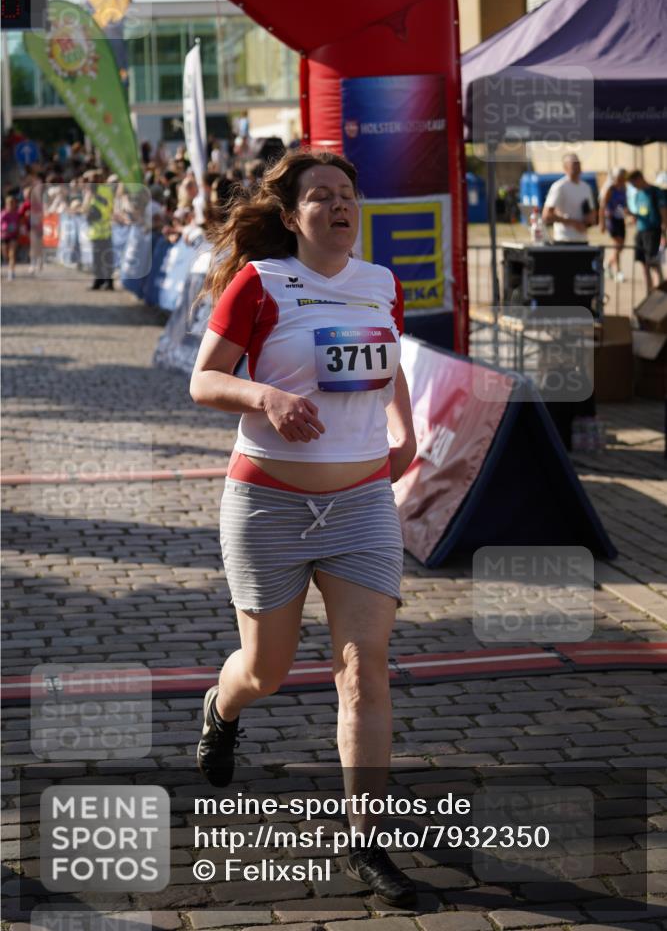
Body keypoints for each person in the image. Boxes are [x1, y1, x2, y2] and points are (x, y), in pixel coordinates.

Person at [189, 149, 418, 907]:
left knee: (365, 668)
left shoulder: (381, 283)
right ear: (291, 217)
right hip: (269, 505)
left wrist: (405, 430)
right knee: (268, 670)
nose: (338, 204)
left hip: (362, 504)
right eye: (320, 195)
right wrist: (266, 398)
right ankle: (222, 708)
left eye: (346, 193)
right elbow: (204, 379)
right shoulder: (261, 283)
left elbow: (390, 363)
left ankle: (365, 839)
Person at [627, 169, 667, 293]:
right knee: (644, 264)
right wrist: (632, 216)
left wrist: (664, 230)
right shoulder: (638, 194)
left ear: (639, 178)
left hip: (653, 232)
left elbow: (663, 211)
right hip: (641, 231)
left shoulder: (656, 192)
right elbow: (641, 212)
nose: (633, 186)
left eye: (634, 183)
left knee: (654, 263)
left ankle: (660, 292)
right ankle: (649, 292)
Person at [542, 153, 596, 243]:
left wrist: (589, 220)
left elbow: (592, 213)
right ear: (565, 167)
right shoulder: (559, 186)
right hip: (564, 239)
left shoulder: (586, 187)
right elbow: (547, 216)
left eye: (578, 163)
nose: (577, 166)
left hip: (582, 239)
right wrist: (573, 223)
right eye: (574, 163)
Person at [82, 169, 115, 290]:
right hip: (106, 229)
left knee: (98, 259)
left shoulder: (92, 190)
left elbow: (85, 208)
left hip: (96, 230)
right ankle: (109, 282)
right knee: (107, 257)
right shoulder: (108, 190)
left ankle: (99, 281)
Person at [599, 167, 627, 282]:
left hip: (620, 219)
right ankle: (618, 271)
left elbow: (624, 205)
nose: (621, 180)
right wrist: (602, 223)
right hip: (611, 220)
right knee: (617, 245)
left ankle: (608, 265)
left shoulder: (624, 188)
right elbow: (602, 206)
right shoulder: (610, 189)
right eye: (619, 178)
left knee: (621, 246)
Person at [1, 194, 21, 280]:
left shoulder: (16, 214)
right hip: (4, 236)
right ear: (6, 204)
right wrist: (5, 228)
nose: (11, 205)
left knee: (12, 254)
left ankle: (11, 272)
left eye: (12, 203)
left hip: (13, 236)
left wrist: (18, 231)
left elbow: (19, 223)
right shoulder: (3, 214)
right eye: (9, 203)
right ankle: (6, 263)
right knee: (5, 255)